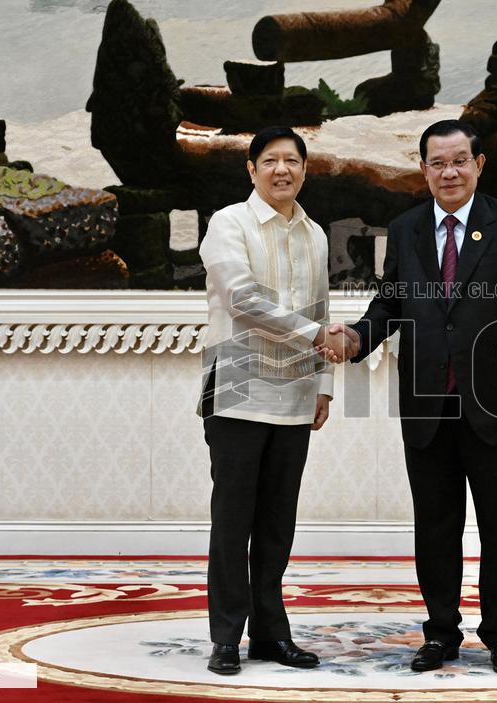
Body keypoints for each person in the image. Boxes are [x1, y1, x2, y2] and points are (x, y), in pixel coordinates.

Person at [321, 119, 497, 676]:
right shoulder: (405, 228)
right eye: (437, 163)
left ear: (479, 165)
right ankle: (440, 633)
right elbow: (390, 303)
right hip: (428, 403)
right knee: (435, 527)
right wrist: (356, 338)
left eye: (459, 161)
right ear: (423, 168)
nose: (448, 172)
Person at [198, 125, 356, 675]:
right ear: (251, 169)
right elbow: (241, 300)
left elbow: (320, 306)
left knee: (276, 523)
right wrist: (316, 337)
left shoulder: (314, 234)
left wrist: (324, 384)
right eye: (270, 160)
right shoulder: (228, 223)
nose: (281, 169)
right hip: (237, 388)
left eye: (292, 160)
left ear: (305, 170)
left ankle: (270, 634)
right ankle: (226, 637)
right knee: (232, 520)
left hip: (294, 394)